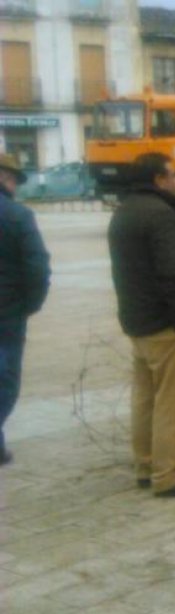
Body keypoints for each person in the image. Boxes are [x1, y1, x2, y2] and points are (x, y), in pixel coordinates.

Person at [107, 152, 175, 497]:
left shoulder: (124, 212)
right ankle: (171, 475)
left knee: (146, 397)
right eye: (173, 174)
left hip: (138, 322)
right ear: (157, 179)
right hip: (165, 325)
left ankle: (147, 464)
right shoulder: (161, 216)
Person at [0, 154, 50, 466]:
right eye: (15, 180)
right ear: (5, 177)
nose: (16, 186)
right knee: (5, 378)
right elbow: (36, 267)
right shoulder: (17, 216)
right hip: (7, 313)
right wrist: (30, 304)